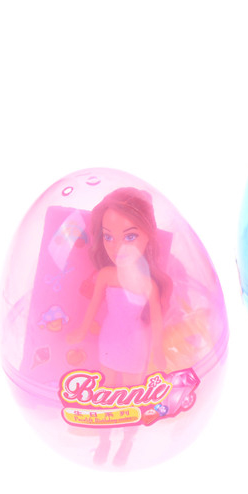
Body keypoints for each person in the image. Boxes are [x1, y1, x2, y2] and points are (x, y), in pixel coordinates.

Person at [69, 187, 170, 464]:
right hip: (109, 340)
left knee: (130, 398)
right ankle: (104, 441)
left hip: (135, 345)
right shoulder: (106, 275)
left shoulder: (148, 285)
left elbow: (157, 321)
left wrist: (157, 352)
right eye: (108, 237)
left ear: (148, 236)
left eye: (130, 236)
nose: (117, 247)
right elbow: (92, 310)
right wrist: (80, 331)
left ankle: (127, 441)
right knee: (106, 393)